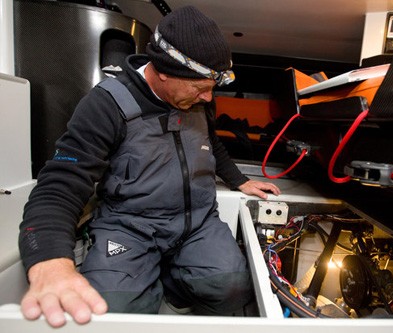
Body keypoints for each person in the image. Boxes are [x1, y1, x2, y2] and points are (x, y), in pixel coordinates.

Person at [18, 5, 281, 328]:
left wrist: (239, 180)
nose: (209, 99)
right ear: (164, 70)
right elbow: (59, 187)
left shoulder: (197, 100)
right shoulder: (107, 104)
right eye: (200, 87)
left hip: (195, 223)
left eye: (211, 88)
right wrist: (49, 261)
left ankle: (174, 291)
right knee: (111, 309)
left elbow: (211, 144)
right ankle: (147, 287)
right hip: (130, 227)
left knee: (233, 286)